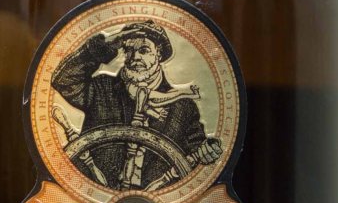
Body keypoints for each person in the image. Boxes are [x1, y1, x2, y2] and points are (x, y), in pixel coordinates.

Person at [51, 21, 222, 190]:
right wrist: (105, 46)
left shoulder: (183, 107)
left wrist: (208, 151)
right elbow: (63, 80)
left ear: (159, 54)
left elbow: (197, 153)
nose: (135, 57)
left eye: (144, 50)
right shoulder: (102, 88)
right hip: (93, 197)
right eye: (129, 50)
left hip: (158, 202)